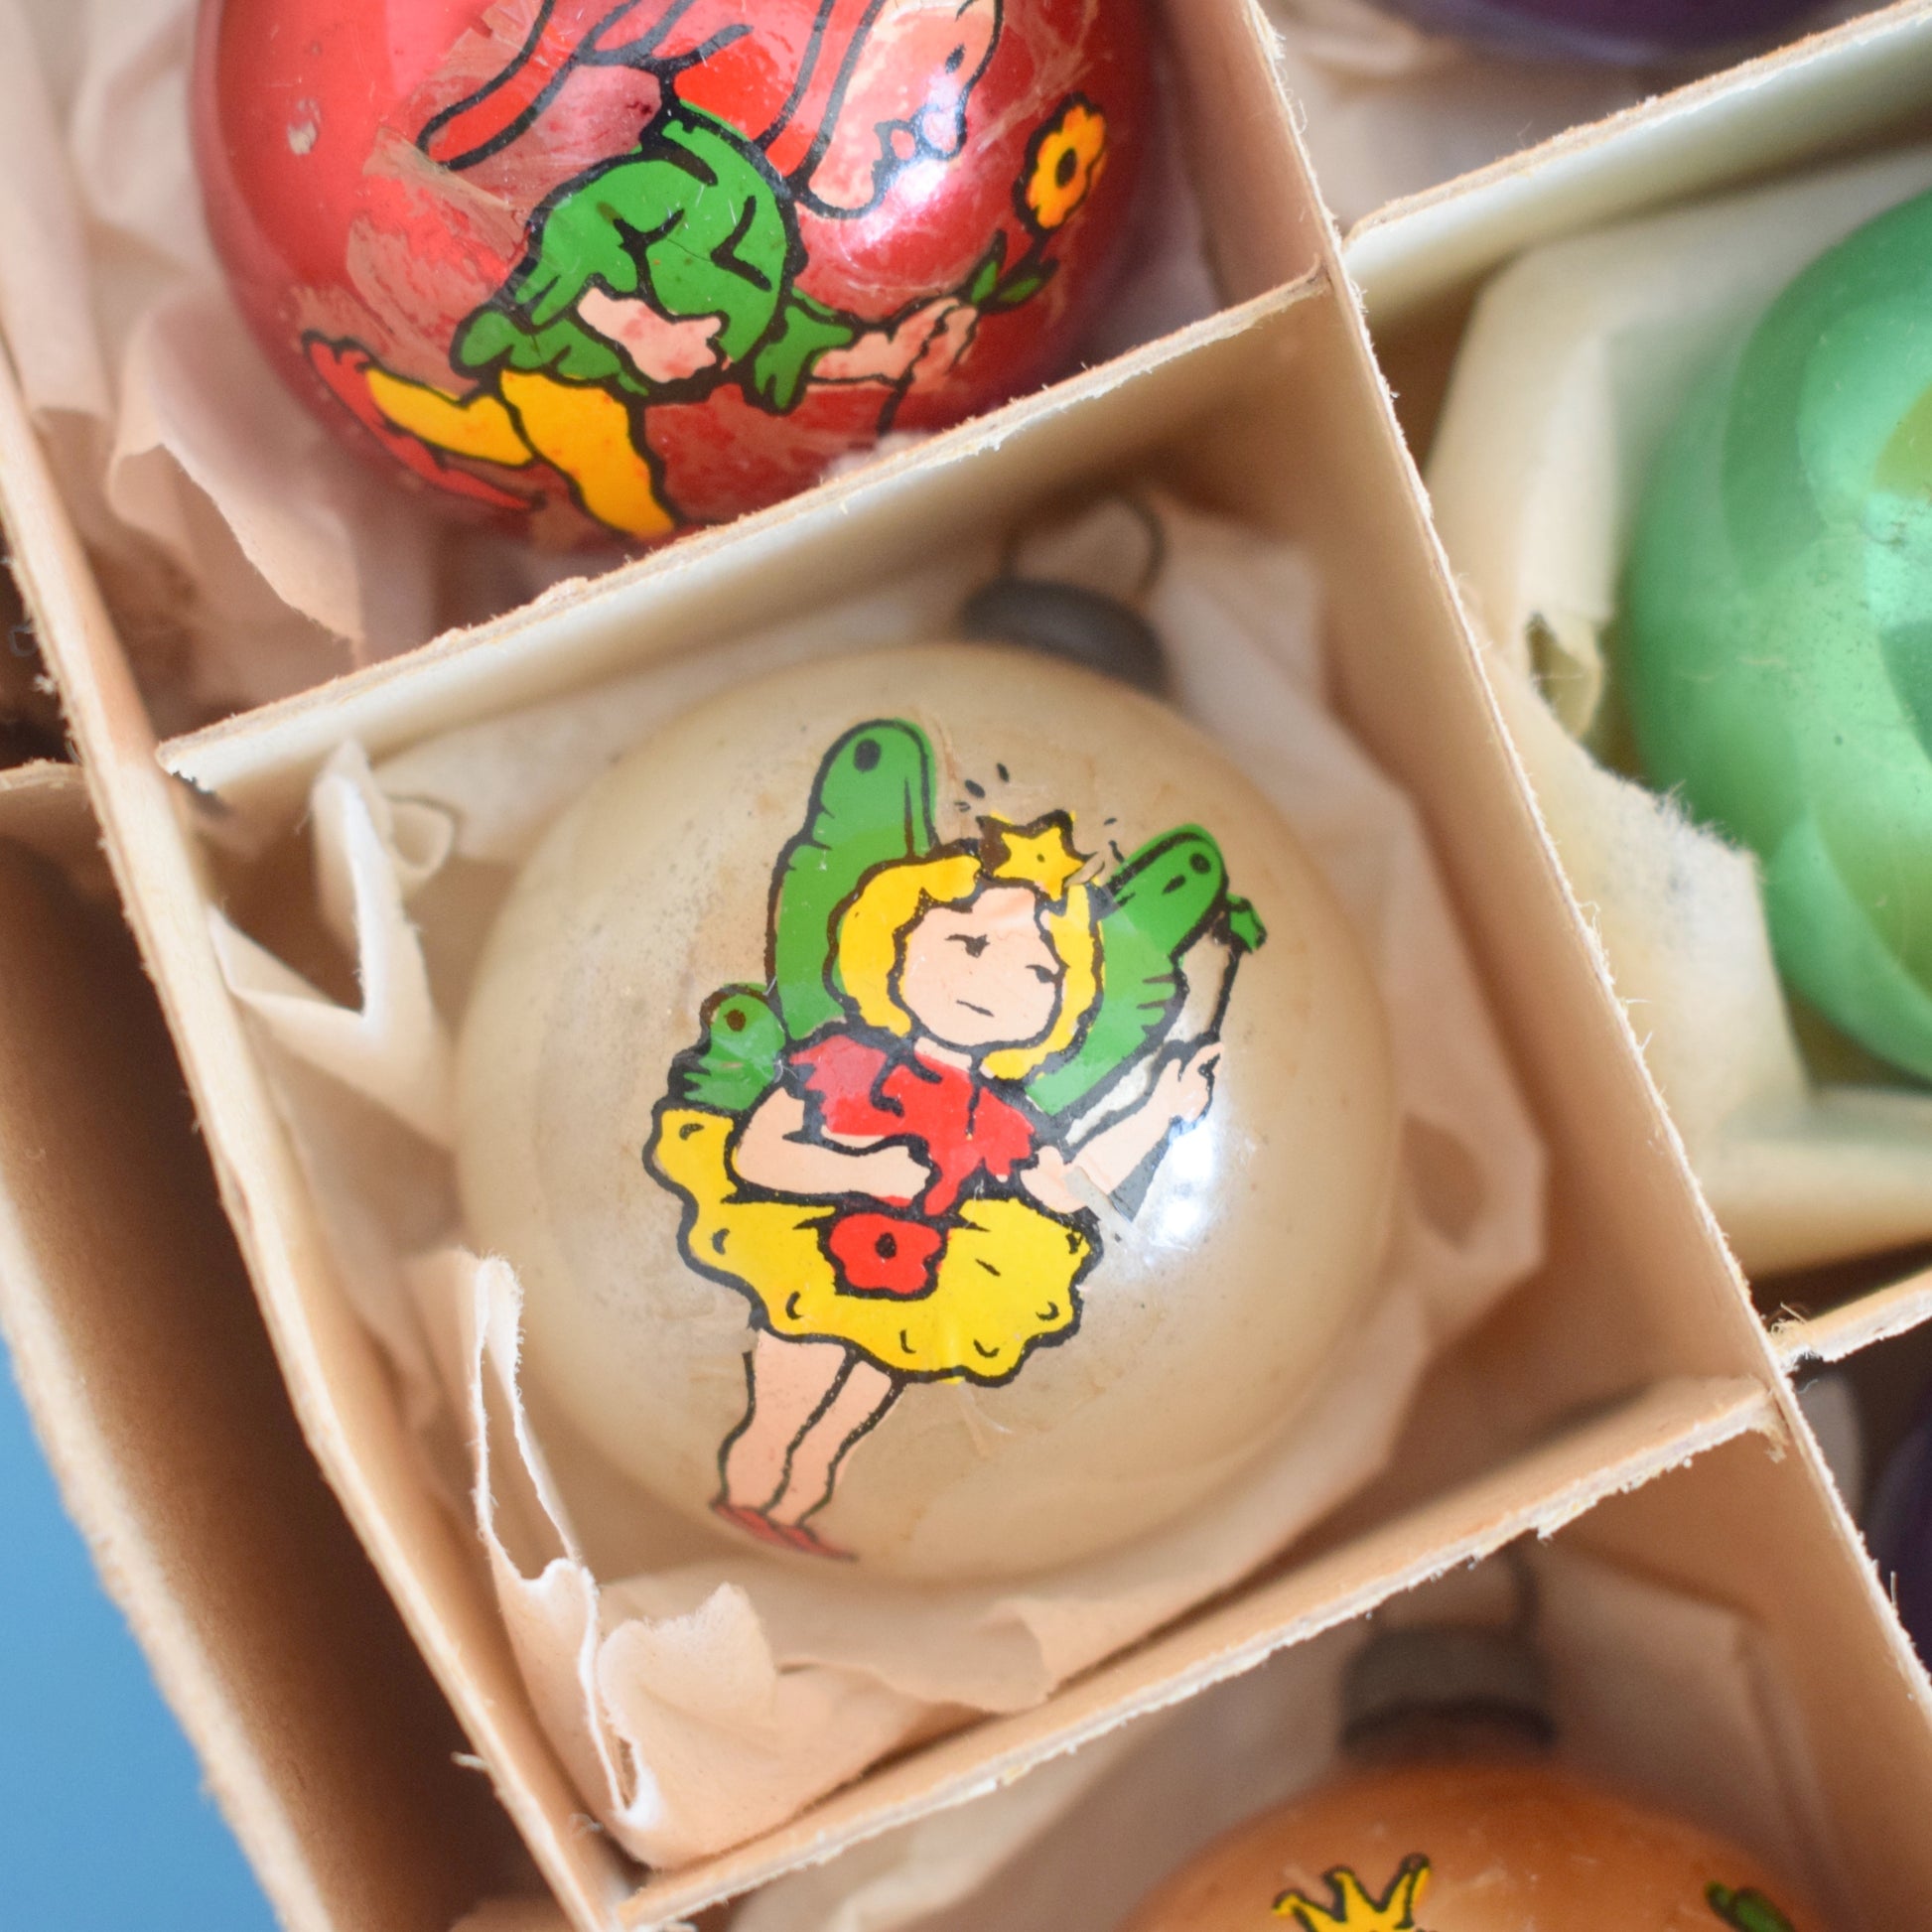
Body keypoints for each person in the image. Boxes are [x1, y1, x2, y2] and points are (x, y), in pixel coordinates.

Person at [649, 814, 1223, 1557]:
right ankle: (744, 1511)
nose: (995, 980)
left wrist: (1160, 1113)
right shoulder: (847, 1062)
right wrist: (863, 1170)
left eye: (1037, 972)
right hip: (817, 1257)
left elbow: (1064, 1188)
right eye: (970, 944)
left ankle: (795, 1517)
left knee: (845, 1425)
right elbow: (758, 1155)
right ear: (893, 945)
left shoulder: (999, 1116)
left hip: (921, 1281)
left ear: (1058, 1009)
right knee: (782, 1409)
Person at [307, 0, 1013, 539]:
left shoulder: (756, 209)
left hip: (589, 409)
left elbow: (778, 326)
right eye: (946, 65)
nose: (948, 127)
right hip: (566, 376)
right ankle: (396, 398)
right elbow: (574, 232)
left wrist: (876, 353)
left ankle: (407, 402)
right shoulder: (686, 174)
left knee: (537, 445)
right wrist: (625, 321)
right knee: (593, 469)